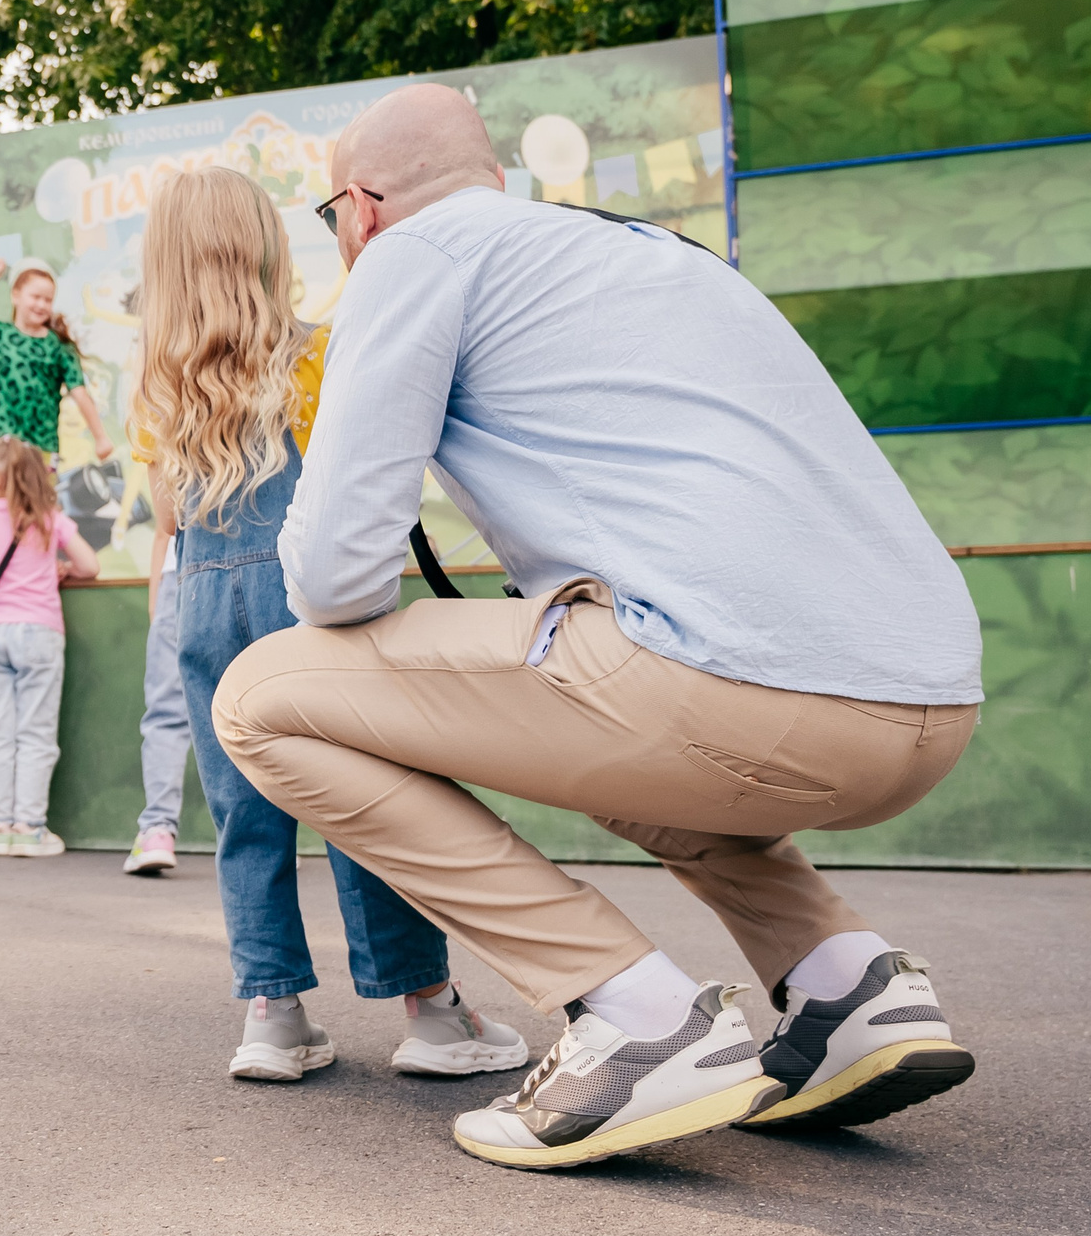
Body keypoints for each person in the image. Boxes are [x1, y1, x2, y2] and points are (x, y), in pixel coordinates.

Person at [211, 83, 983, 1170]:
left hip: (726, 691)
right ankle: (845, 982)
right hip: (929, 701)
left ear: (362, 207)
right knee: (606, 701)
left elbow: (336, 577)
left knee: (260, 696)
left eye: (331, 215)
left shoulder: (410, 253)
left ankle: (635, 1015)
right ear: (492, 177)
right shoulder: (660, 254)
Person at [132, 165, 527, 1084]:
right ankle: (430, 1011)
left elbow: (170, 518)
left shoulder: (159, 387)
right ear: (267, 249)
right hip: (307, 602)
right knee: (365, 799)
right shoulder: (317, 353)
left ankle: (272, 1017)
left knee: (244, 814)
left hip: (202, 607)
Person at [0, 436, 98, 858]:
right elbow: (90, 565)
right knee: (36, 734)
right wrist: (61, 568)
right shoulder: (48, 517)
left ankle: (1, 827)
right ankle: (30, 827)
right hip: (39, 632)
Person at [0, 259, 115, 462]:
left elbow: (79, 393)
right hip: (1, 449)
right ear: (15, 295)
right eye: (36, 297)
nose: (41, 305)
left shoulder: (59, 347)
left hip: (41, 450)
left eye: (48, 300)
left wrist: (101, 438)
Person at [123, 527, 189, 877]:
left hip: (185, 572)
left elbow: (165, 526)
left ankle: (157, 831)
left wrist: (155, 604)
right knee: (250, 712)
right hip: (261, 567)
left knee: (167, 714)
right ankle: (267, 838)